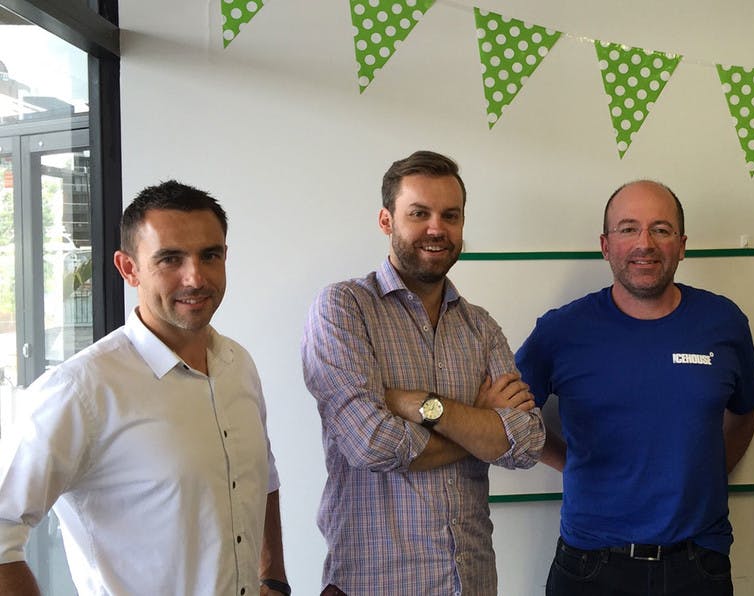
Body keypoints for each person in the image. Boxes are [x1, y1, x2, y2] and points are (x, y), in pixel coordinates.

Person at [0, 180, 289, 595]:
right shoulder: (82, 389)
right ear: (128, 268)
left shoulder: (237, 364)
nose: (195, 277)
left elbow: (262, 477)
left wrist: (273, 578)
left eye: (210, 255)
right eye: (170, 259)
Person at [301, 150, 545, 596]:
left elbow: (526, 444)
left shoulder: (481, 326)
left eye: (450, 215)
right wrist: (480, 427)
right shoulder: (343, 308)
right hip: (374, 584)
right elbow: (371, 445)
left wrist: (420, 405)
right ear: (386, 220)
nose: (437, 228)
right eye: (419, 213)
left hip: (470, 583)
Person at [515, 180, 754, 596]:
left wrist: (710, 472)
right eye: (628, 229)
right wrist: (571, 462)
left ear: (682, 244)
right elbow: (510, 417)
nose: (644, 243)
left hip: (698, 564)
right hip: (590, 566)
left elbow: (747, 407)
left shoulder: (723, 322)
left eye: (661, 229)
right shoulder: (562, 330)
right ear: (605, 244)